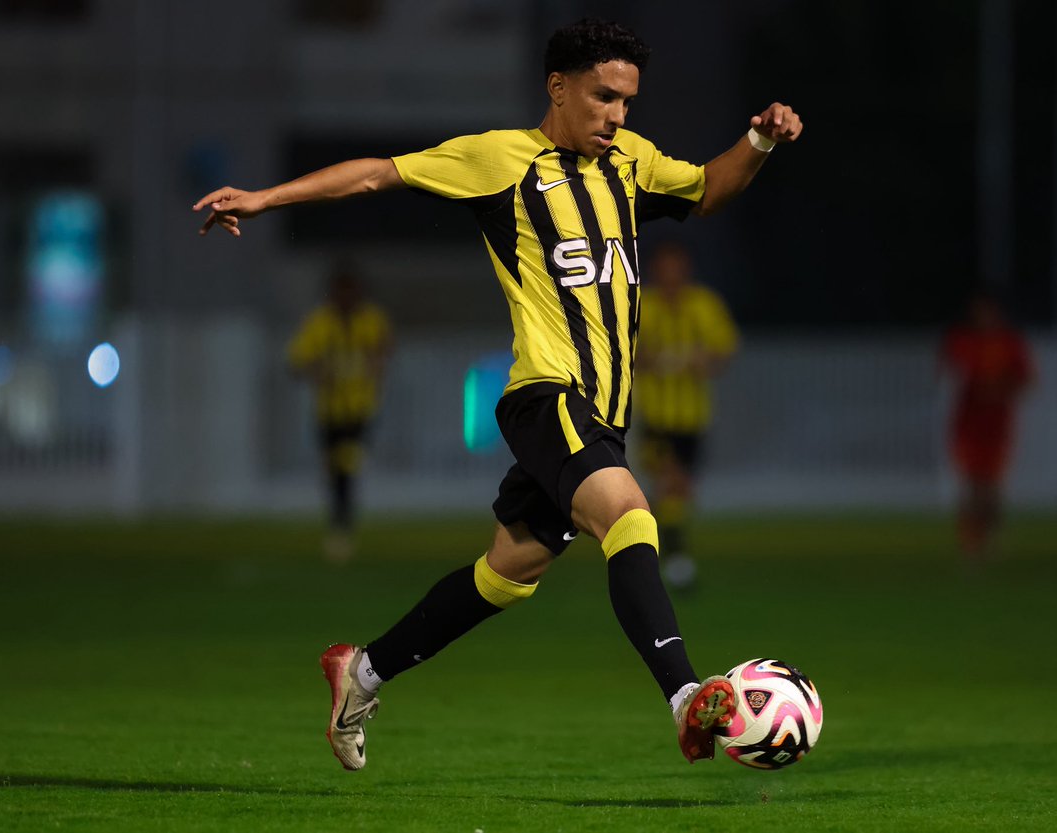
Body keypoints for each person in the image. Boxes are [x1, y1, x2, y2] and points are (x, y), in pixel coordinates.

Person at [193, 18, 802, 769]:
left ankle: (362, 672)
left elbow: (708, 189)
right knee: (630, 515)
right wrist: (263, 198)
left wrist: (760, 141)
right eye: (603, 97)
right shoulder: (500, 159)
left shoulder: (631, 163)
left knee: (507, 574)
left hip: (604, 414)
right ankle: (686, 697)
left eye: (627, 102)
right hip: (548, 395)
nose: (617, 116)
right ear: (558, 88)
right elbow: (379, 173)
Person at [634, 241, 738, 589]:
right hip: (655, 416)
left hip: (693, 417)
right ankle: (676, 561)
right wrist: (655, 360)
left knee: (678, 492)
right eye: (665, 268)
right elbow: (623, 351)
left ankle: (658, 551)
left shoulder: (704, 304)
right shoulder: (642, 306)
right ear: (655, 271)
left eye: (676, 268)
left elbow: (724, 350)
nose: (671, 275)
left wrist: (702, 360)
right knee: (670, 482)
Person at [287, 262, 393, 563]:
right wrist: (319, 372)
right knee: (337, 471)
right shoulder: (320, 323)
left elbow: (384, 349)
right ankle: (341, 525)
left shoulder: (371, 319)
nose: (346, 297)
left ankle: (341, 528)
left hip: (361, 410)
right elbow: (297, 361)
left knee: (346, 464)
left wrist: (374, 365)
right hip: (329, 411)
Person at [940, 292, 1035, 560]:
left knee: (991, 488)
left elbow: (1026, 380)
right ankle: (971, 544)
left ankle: (990, 537)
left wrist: (999, 389)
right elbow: (950, 372)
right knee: (971, 485)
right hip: (967, 424)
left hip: (997, 426)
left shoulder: (1009, 343)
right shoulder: (962, 341)